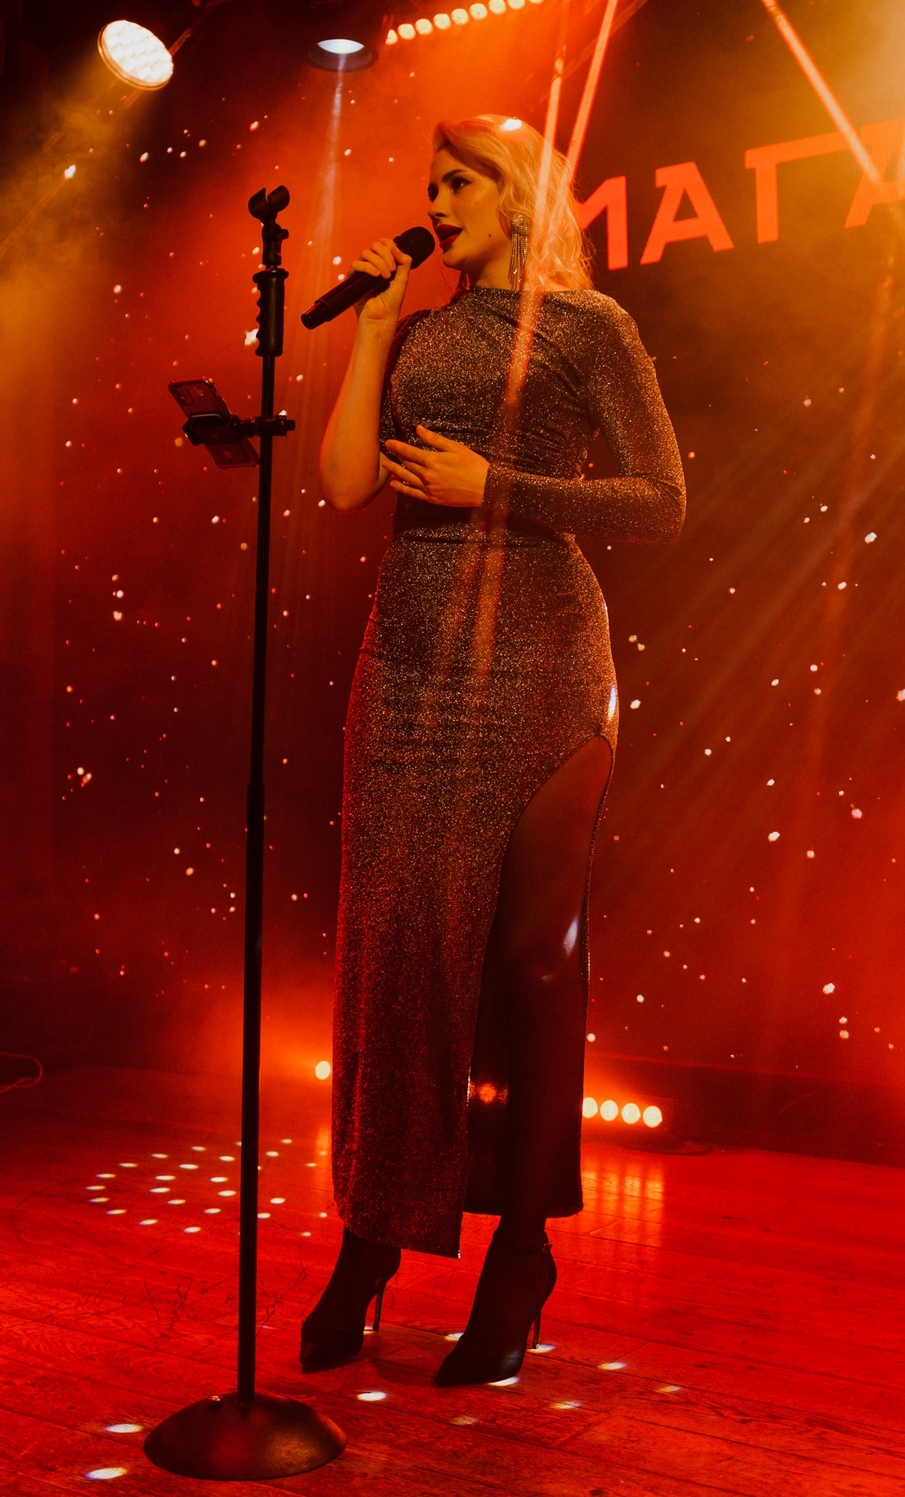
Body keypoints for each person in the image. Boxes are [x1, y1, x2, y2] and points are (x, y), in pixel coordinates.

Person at [305, 113, 685, 1387]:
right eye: (430, 183)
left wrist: (496, 487)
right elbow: (343, 484)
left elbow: (661, 500)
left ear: (516, 196)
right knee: (392, 955)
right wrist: (370, 329)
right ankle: (370, 1236)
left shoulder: (589, 329)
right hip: (410, 657)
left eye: (458, 181)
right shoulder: (417, 330)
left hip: (541, 660)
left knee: (528, 966)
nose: (435, 200)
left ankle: (520, 1256)